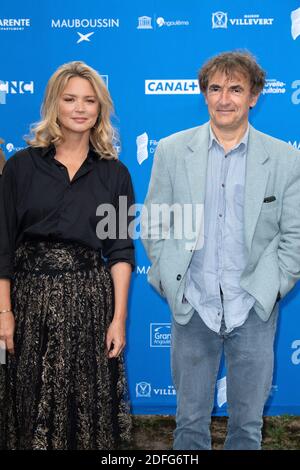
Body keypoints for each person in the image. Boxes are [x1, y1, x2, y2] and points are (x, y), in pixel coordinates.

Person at [142, 51, 300, 450]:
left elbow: (294, 236)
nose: (224, 99)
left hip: (254, 310)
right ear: (204, 94)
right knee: (189, 427)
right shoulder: (173, 151)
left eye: (235, 89)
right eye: (215, 89)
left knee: (247, 429)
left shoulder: (285, 159)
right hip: (193, 307)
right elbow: (156, 224)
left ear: (254, 96)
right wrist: (167, 279)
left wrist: (270, 288)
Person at [0, 61, 134, 450]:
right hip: (29, 303)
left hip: (89, 305)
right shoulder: (21, 168)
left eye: (89, 100)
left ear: (100, 109)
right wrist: (4, 313)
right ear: (54, 105)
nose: (80, 108)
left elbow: (120, 251)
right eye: (70, 99)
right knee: (30, 402)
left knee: (85, 407)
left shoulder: (115, 174)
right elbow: (3, 245)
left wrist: (119, 319)